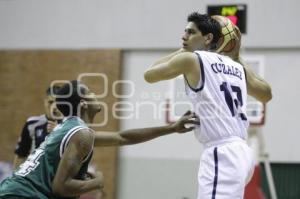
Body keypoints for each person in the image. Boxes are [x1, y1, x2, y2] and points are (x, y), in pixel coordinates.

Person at [144, 12, 272, 199]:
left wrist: (183, 49)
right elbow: (266, 94)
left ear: (208, 38)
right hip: (243, 153)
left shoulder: (191, 59)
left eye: (190, 32)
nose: (184, 36)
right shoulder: (237, 67)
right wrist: (236, 54)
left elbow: (149, 74)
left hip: (222, 153)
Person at [0, 80, 199, 199]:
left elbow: (123, 137)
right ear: (85, 103)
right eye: (92, 93)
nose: (97, 96)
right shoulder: (80, 133)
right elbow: (61, 187)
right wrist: (98, 183)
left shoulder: (70, 128)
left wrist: (172, 128)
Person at [13, 85, 63, 169]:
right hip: (34, 176)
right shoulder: (32, 123)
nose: (54, 107)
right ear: (45, 102)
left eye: (57, 103)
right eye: (50, 102)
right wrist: (14, 179)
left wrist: (59, 133)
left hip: (57, 176)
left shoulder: (68, 125)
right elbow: (21, 155)